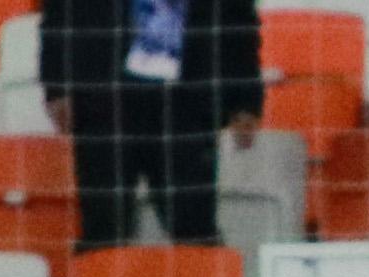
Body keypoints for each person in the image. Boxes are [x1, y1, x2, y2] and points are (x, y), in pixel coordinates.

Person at [43, 0, 259, 252]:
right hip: (103, 97)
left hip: (187, 100)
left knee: (194, 223)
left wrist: (246, 98)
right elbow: (58, 10)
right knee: (103, 226)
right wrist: (56, 84)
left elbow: (239, 19)